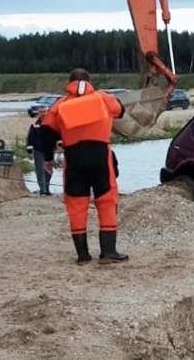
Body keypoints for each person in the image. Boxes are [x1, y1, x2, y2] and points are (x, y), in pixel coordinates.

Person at [40, 68, 128, 265]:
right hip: (100, 157)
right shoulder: (104, 98)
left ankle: (82, 255)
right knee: (106, 201)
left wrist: (48, 159)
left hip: (74, 159)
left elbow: (46, 132)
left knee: (76, 204)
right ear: (89, 81)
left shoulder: (59, 105)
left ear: (69, 82)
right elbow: (121, 110)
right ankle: (108, 252)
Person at [26, 108, 53, 196]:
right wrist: (30, 152)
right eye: (41, 112)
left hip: (49, 151)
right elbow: (30, 139)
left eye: (45, 112)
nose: (43, 114)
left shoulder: (51, 124)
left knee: (49, 170)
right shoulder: (34, 125)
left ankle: (47, 189)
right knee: (40, 170)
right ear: (38, 114)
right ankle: (43, 190)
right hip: (38, 150)